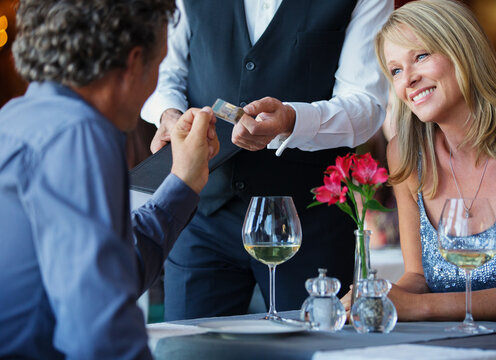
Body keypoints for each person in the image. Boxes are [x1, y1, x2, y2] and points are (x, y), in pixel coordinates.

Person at [141, 0, 393, 320]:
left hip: (309, 219)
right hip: (203, 213)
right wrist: (168, 113)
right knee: (189, 347)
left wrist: (292, 119)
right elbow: (162, 69)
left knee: (313, 350)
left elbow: (366, 104)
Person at [0, 0, 219, 358]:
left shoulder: (16, 117)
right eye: (159, 64)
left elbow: (112, 273)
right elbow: (102, 334)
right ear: (133, 63)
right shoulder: (77, 135)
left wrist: (184, 182)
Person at [343, 0, 496, 321]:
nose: (408, 79)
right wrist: (378, 295)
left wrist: (423, 308)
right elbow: (418, 278)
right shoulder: (405, 156)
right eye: (395, 70)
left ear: (464, 51)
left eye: (420, 56)